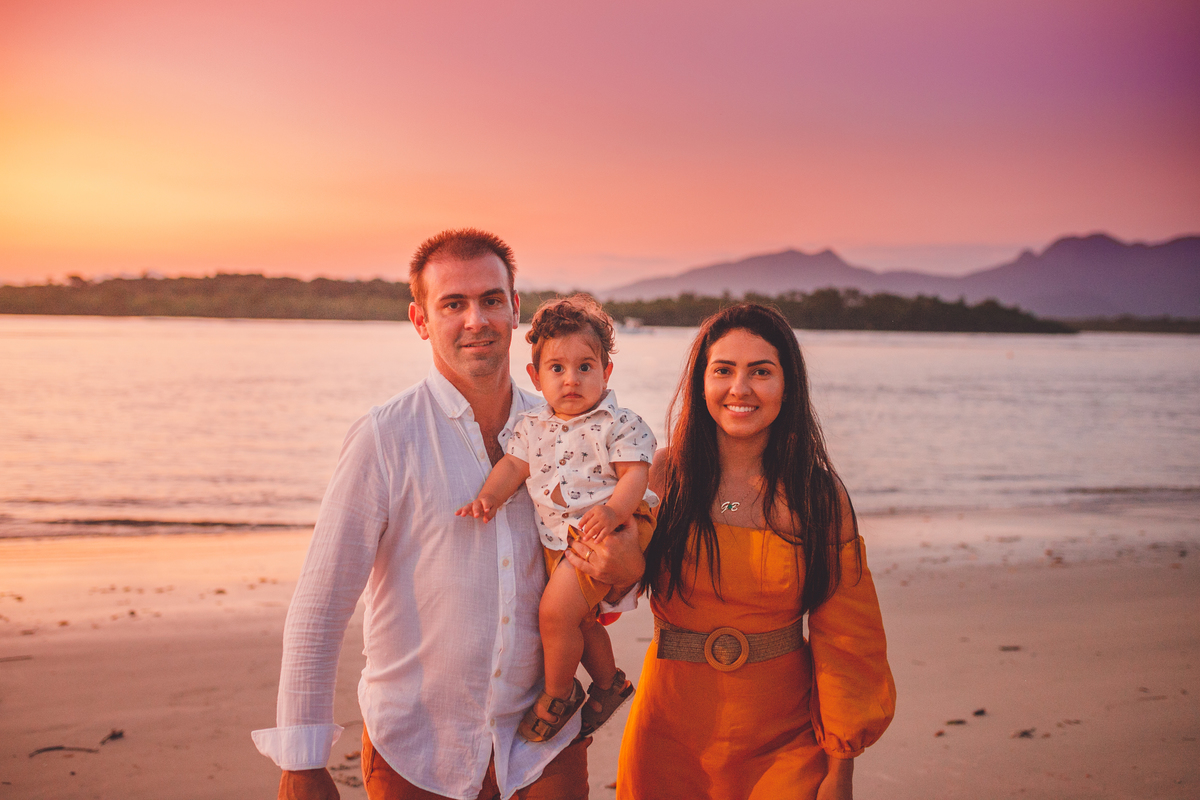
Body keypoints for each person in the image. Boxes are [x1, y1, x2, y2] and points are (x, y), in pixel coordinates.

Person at [251, 229, 645, 800]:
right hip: (417, 749)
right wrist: (301, 761)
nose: (475, 320)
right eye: (452, 304)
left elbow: (606, 568)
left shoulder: (574, 431)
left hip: (540, 743)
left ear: (515, 309)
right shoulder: (385, 437)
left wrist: (627, 566)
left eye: (490, 300)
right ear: (420, 320)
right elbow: (322, 601)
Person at [616, 303, 896, 800]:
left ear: (787, 385)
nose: (739, 389)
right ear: (701, 382)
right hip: (668, 735)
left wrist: (841, 769)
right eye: (723, 370)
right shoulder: (662, 475)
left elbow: (847, 641)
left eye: (761, 372)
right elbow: (612, 588)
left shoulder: (818, 496)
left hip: (787, 740)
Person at [457, 295, 657, 743]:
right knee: (580, 621)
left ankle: (559, 693)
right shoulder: (531, 426)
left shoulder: (618, 422)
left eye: (586, 367)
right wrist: (488, 497)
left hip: (612, 530)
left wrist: (612, 511)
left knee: (553, 615)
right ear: (535, 376)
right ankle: (610, 685)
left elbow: (635, 476)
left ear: (606, 371)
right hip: (561, 539)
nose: (572, 380)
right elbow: (512, 468)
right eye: (557, 369)